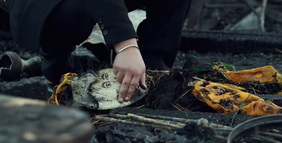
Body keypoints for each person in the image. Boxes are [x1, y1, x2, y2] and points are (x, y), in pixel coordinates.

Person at [5, 0, 192, 102]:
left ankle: (152, 67)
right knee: (73, 14)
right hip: (44, 6)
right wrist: (126, 45)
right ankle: (54, 59)